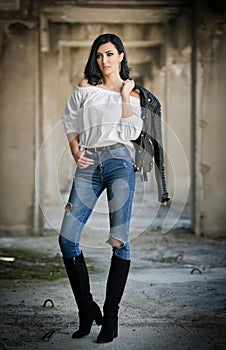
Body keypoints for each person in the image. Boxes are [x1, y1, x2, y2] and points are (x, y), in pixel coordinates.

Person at [59, 33, 169, 344]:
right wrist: (75, 151)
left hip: (121, 162)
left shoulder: (134, 94)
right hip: (90, 162)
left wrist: (123, 95)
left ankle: (111, 317)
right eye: (99, 55)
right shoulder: (85, 88)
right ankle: (86, 309)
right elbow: (70, 121)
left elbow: (132, 131)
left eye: (109, 54)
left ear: (121, 56)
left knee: (120, 242)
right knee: (67, 239)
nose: (104, 61)